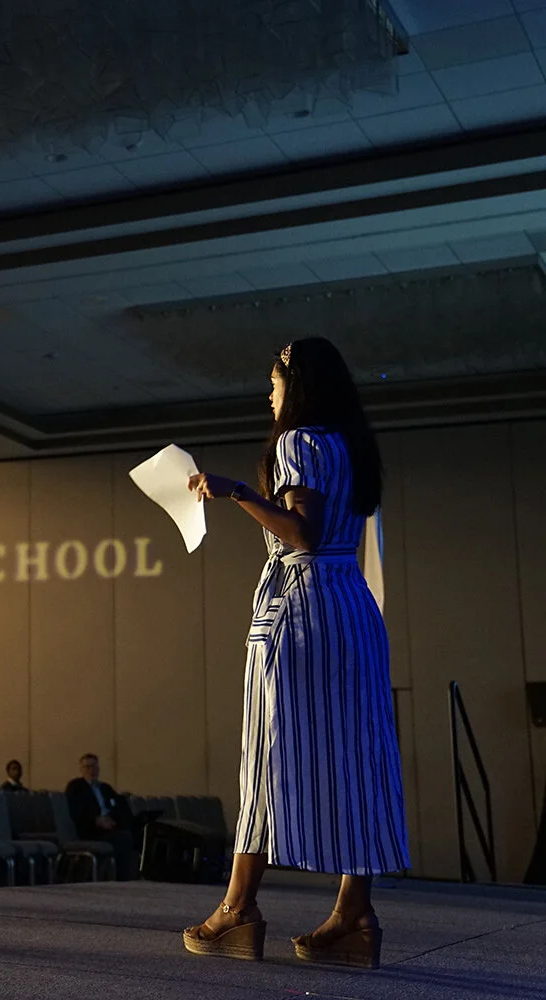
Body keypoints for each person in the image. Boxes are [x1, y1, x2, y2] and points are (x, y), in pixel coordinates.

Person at [183, 338, 409, 968]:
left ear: (298, 384)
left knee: (267, 753)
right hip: (352, 605)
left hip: (303, 608)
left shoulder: (297, 442)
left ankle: (238, 909)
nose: (269, 391)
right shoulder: (353, 445)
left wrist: (236, 491)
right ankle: (354, 914)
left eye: (275, 380)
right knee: (361, 757)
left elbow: (302, 534)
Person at [65, 754, 136, 880]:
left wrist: (113, 819)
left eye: (94, 766)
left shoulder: (105, 788)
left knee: (134, 832)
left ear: (98, 769)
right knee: (123, 838)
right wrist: (96, 820)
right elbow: (76, 812)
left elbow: (117, 806)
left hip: (110, 825)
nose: (91, 770)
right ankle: (122, 877)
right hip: (91, 828)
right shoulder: (76, 787)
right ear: (81, 770)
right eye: (87, 767)